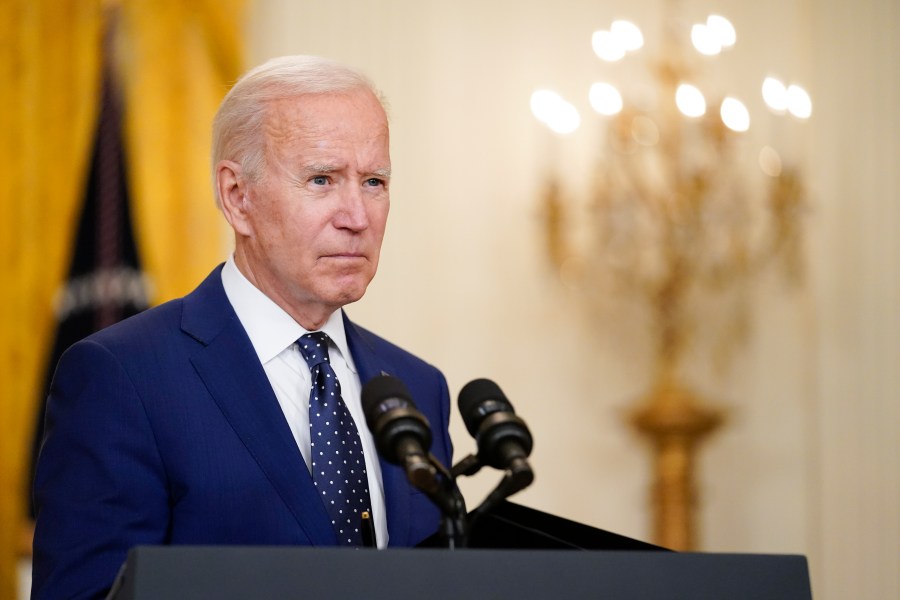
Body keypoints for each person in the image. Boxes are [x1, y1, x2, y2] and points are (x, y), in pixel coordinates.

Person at [31, 55, 453, 599]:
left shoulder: (419, 390)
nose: (357, 215)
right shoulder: (122, 378)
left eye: (373, 181)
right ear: (237, 196)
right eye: (321, 179)